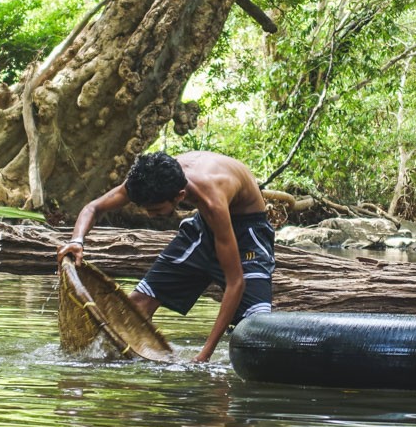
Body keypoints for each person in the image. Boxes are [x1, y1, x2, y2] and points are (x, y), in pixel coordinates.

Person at [56, 150, 275, 362]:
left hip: (248, 233)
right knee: (133, 308)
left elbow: (235, 283)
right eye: (146, 208)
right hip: (203, 228)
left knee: (257, 328)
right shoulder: (148, 178)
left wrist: (204, 355)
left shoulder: (212, 199)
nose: (150, 215)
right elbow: (93, 208)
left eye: (156, 209)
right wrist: (77, 241)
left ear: (180, 196)